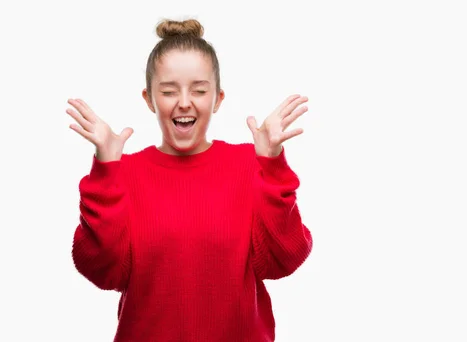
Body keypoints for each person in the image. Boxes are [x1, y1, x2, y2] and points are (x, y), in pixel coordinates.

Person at [67, 18, 313, 342]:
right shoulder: (124, 173)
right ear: (149, 99)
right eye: (169, 91)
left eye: (199, 90)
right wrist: (105, 170)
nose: (184, 102)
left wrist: (272, 164)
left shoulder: (249, 166)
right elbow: (101, 270)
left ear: (218, 99)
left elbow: (284, 258)